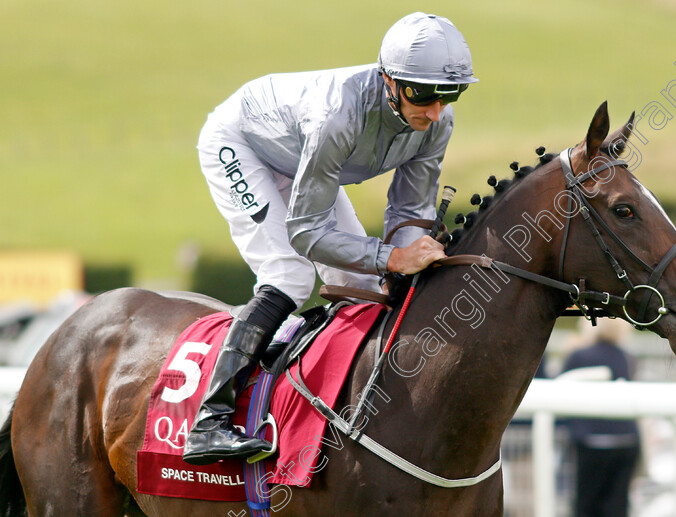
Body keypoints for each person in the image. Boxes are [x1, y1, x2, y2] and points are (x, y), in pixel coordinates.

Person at [182, 12, 477, 466]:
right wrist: (392, 257)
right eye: (422, 95)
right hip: (241, 143)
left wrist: (409, 258)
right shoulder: (338, 116)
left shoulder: (437, 122)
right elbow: (305, 233)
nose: (434, 110)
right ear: (389, 81)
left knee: (359, 286)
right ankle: (209, 419)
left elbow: (409, 211)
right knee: (290, 272)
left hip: (306, 158)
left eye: (449, 95)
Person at [559, 319, 641, 517]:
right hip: (626, 441)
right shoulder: (627, 357)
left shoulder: (579, 356)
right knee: (617, 506)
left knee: (585, 506)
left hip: (591, 442)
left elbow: (560, 393)